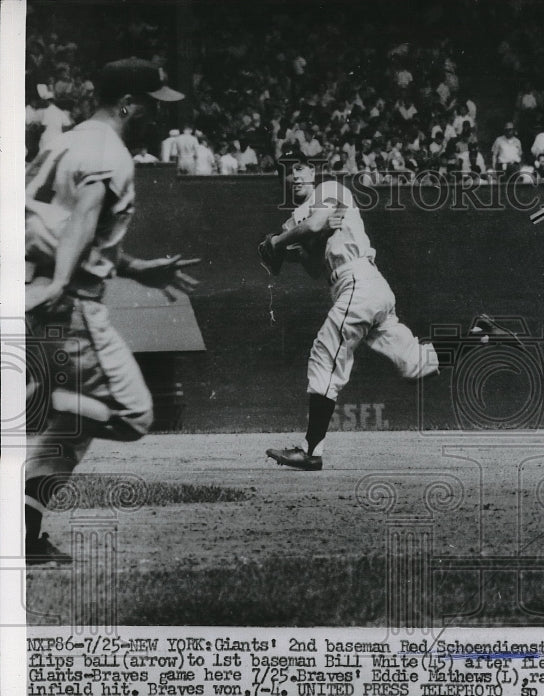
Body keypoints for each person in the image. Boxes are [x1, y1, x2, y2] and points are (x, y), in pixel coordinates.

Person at [24, 58, 199, 565]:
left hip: (41, 297)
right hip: (71, 304)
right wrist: (61, 280)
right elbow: (85, 209)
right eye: (148, 105)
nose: (154, 116)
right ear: (127, 104)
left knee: (72, 431)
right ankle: (44, 403)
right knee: (133, 414)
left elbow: (61, 224)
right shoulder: (110, 152)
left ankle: (21, 531)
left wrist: (136, 267)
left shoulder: (66, 141)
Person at [260, 150, 507, 471]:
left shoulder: (329, 189)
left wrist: (280, 242)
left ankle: (310, 451)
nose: (293, 177)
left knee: (325, 354)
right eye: (286, 173)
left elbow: (316, 223)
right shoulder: (295, 218)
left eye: (299, 169)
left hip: (358, 280)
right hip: (359, 287)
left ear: (311, 171)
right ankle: (479, 336)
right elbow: (312, 265)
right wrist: (296, 243)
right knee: (413, 363)